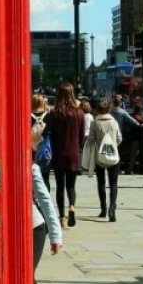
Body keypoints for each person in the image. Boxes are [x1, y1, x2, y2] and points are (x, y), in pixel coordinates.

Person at [32, 163, 63, 284]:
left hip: (33, 227)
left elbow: (45, 200)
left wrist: (56, 235)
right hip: (3, 227)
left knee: (26, 276)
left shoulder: (30, 167)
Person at [45, 82, 84, 228]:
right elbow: (81, 136)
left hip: (59, 152)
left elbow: (47, 133)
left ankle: (62, 217)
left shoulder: (55, 114)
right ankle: (72, 206)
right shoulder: (79, 113)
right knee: (71, 186)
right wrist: (78, 149)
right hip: (73, 153)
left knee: (60, 187)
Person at [88, 100, 122, 221]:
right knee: (113, 184)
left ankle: (103, 209)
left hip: (99, 157)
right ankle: (112, 207)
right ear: (109, 109)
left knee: (101, 183)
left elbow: (91, 139)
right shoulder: (114, 122)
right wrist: (113, 146)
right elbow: (119, 138)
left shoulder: (95, 122)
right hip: (113, 156)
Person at [111, 94, 143, 175]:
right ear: (120, 103)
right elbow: (132, 120)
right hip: (118, 134)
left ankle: (112, 168)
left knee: (112, 151)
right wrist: (140, 125)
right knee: (118, 152)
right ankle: (117, 169)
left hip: (109, 134)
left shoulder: (110, 111)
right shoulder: (122, 112)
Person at [31, 94, 51, 191]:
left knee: (33, 175)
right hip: (44, 149)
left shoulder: (27, 116)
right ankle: (46, 196)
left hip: (31, 149)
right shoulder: (48, 116)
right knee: (45, 176)